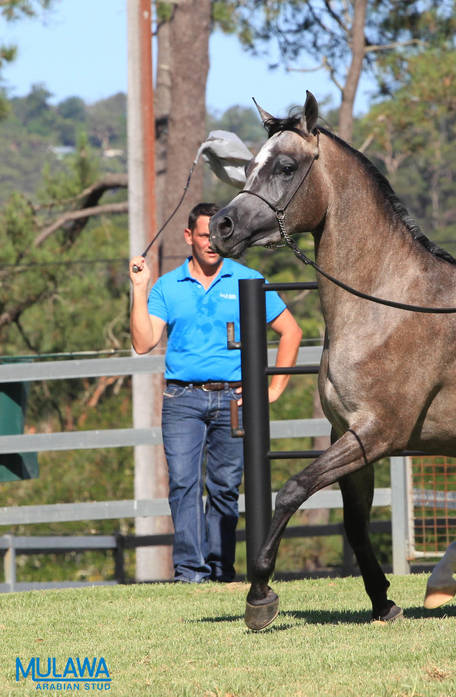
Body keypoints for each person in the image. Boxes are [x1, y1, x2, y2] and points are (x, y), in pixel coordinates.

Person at [129, 202, 303, 583]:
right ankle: (191, 572)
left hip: (234, 401)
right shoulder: (168, 286)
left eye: (218, 235)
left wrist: (273, 389)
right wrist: (140, 290)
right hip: (182, 401)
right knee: (183, 484)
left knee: (225, 486)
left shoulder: (247, 279)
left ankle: (222, 570)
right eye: (204, 235)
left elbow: (291, 332)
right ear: (189, 236)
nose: (211, 243)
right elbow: (143, 343)